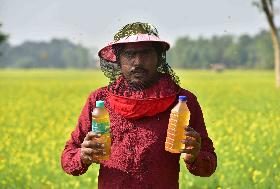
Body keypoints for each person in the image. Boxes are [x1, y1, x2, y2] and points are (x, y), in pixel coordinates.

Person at [61, 22, 217, 189]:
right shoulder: (100, 100)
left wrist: (194, 157)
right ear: (118, 60)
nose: (137, 62)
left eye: (146, 53)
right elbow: (68, 158)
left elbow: (208, 165)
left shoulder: (182, 101)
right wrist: (83, 156)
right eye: (129, 54)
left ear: (158, 57)